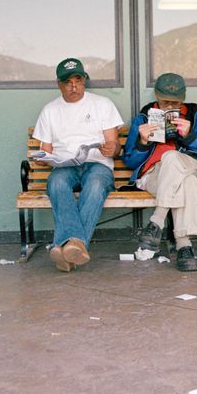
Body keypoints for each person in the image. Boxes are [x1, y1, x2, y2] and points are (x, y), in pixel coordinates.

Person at [32, 58, 124, 272]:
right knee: (56, 183)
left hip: (97, 164)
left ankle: (65, 246)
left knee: (95, 185)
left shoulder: (102, 104)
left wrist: (112, 149)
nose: (74, 87)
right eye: (67, 82)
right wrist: (42, 157)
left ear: (84, 80)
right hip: (65, 165)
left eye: (78, 81)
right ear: (59, 84)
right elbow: (45, 149)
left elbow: (114, 143)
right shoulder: (50, 110)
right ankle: (74, 246)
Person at [122, 73, 197, 271]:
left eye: (175, 103)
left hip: (190, 167)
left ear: (183, 99)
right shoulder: (143, 118)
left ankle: (156, 221)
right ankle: (184, 247)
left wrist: (190, 136)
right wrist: (143, 142)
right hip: (154, 175)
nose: (170, 107)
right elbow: (129, 160)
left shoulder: (196, 117)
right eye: (164, 103)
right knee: (188, 184)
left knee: (172, 158)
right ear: (156, 97)